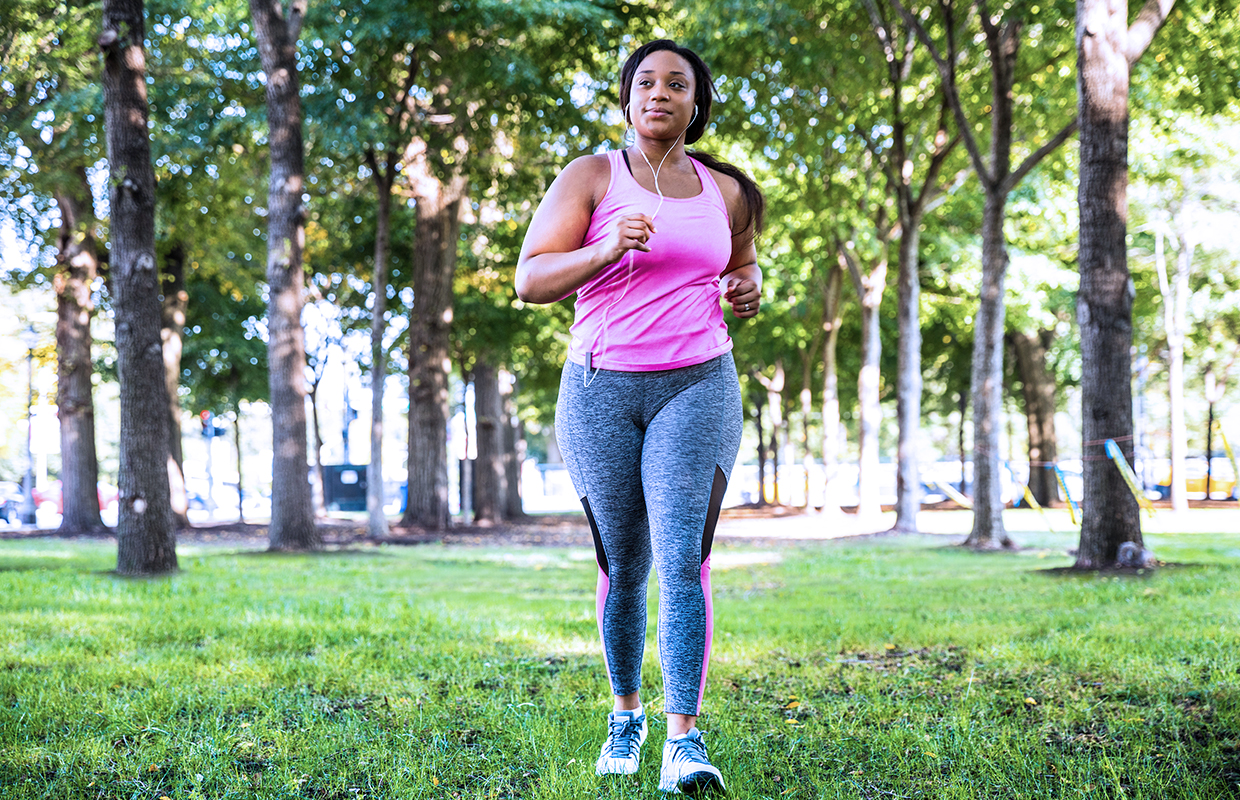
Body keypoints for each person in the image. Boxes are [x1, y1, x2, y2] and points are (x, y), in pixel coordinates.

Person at [515, 39, 764, 795]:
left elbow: (742, 260)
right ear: (628, 98)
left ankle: (683, 740)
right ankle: (627, 715)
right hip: (601, 387)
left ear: (696, 102)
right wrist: (603, 251)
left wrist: (749, 289)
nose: (659, 93)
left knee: (684, 555)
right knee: (625, 562)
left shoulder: (727, 191)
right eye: (646, 82)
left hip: (699, 383)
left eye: (676, 83)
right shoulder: (592, 176)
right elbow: (530, 279)